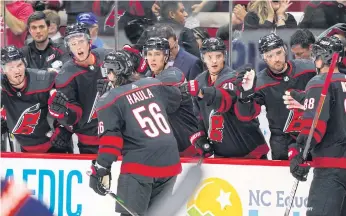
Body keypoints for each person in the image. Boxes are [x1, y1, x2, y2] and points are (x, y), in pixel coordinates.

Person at [89, 50, 182, 216]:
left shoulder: (108, 100)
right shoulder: (152, 84)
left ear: (112, 73)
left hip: (140, 165)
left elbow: (112, 142)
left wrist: (101, 168)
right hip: (170, 160)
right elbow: (176, 99)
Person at [182, 37, 269, 159]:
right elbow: (198, 116)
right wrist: (200, 137)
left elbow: (223, 100)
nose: (214, 61)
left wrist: (202, 92)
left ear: (224, 56)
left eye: (218, 56)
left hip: (249, 150)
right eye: (209, 57)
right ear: (203, 58)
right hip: (222, 154)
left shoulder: (233, 78)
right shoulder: (199, 80)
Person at [234, 33, 316, 160]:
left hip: (312, 135)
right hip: (282, 142)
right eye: (270, 56)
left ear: (285, 50)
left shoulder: (308, 68)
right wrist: (245, 94)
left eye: (278, 53)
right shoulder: (260, 82)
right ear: (264, 58)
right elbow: (246, 115)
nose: (276, 59)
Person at [289, 36, 346, 216]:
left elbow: (315, 126)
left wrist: (300, 153)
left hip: (331, 170)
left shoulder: (318, 82)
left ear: (321, 58)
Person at [48, 22, 111, 154]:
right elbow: (74, 115)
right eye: (73, 43)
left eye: (81, 41)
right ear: (68, 47)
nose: (78, 47)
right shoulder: (65, 75)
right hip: (89, 143)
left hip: (117, 135)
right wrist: (63, 113)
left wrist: (114, 89)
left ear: (89, 42)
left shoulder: (108, 58)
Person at [1, 45, 72, 153]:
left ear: (24, 64)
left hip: (54, 145)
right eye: (11, 67)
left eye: (19, 65)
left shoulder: (45, 79)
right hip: (24, 148)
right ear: (3, 70)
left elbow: (71, 101)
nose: (16, 71)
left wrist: (65, 128)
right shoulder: (2, 87)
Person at [143, 37, 200, 157]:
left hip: (187, 145)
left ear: (165, 56)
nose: (152, 58)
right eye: (149, 54)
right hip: (169, 148)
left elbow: (158, 86)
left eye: (157, 54)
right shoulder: (149, 76)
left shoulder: (174, 73)